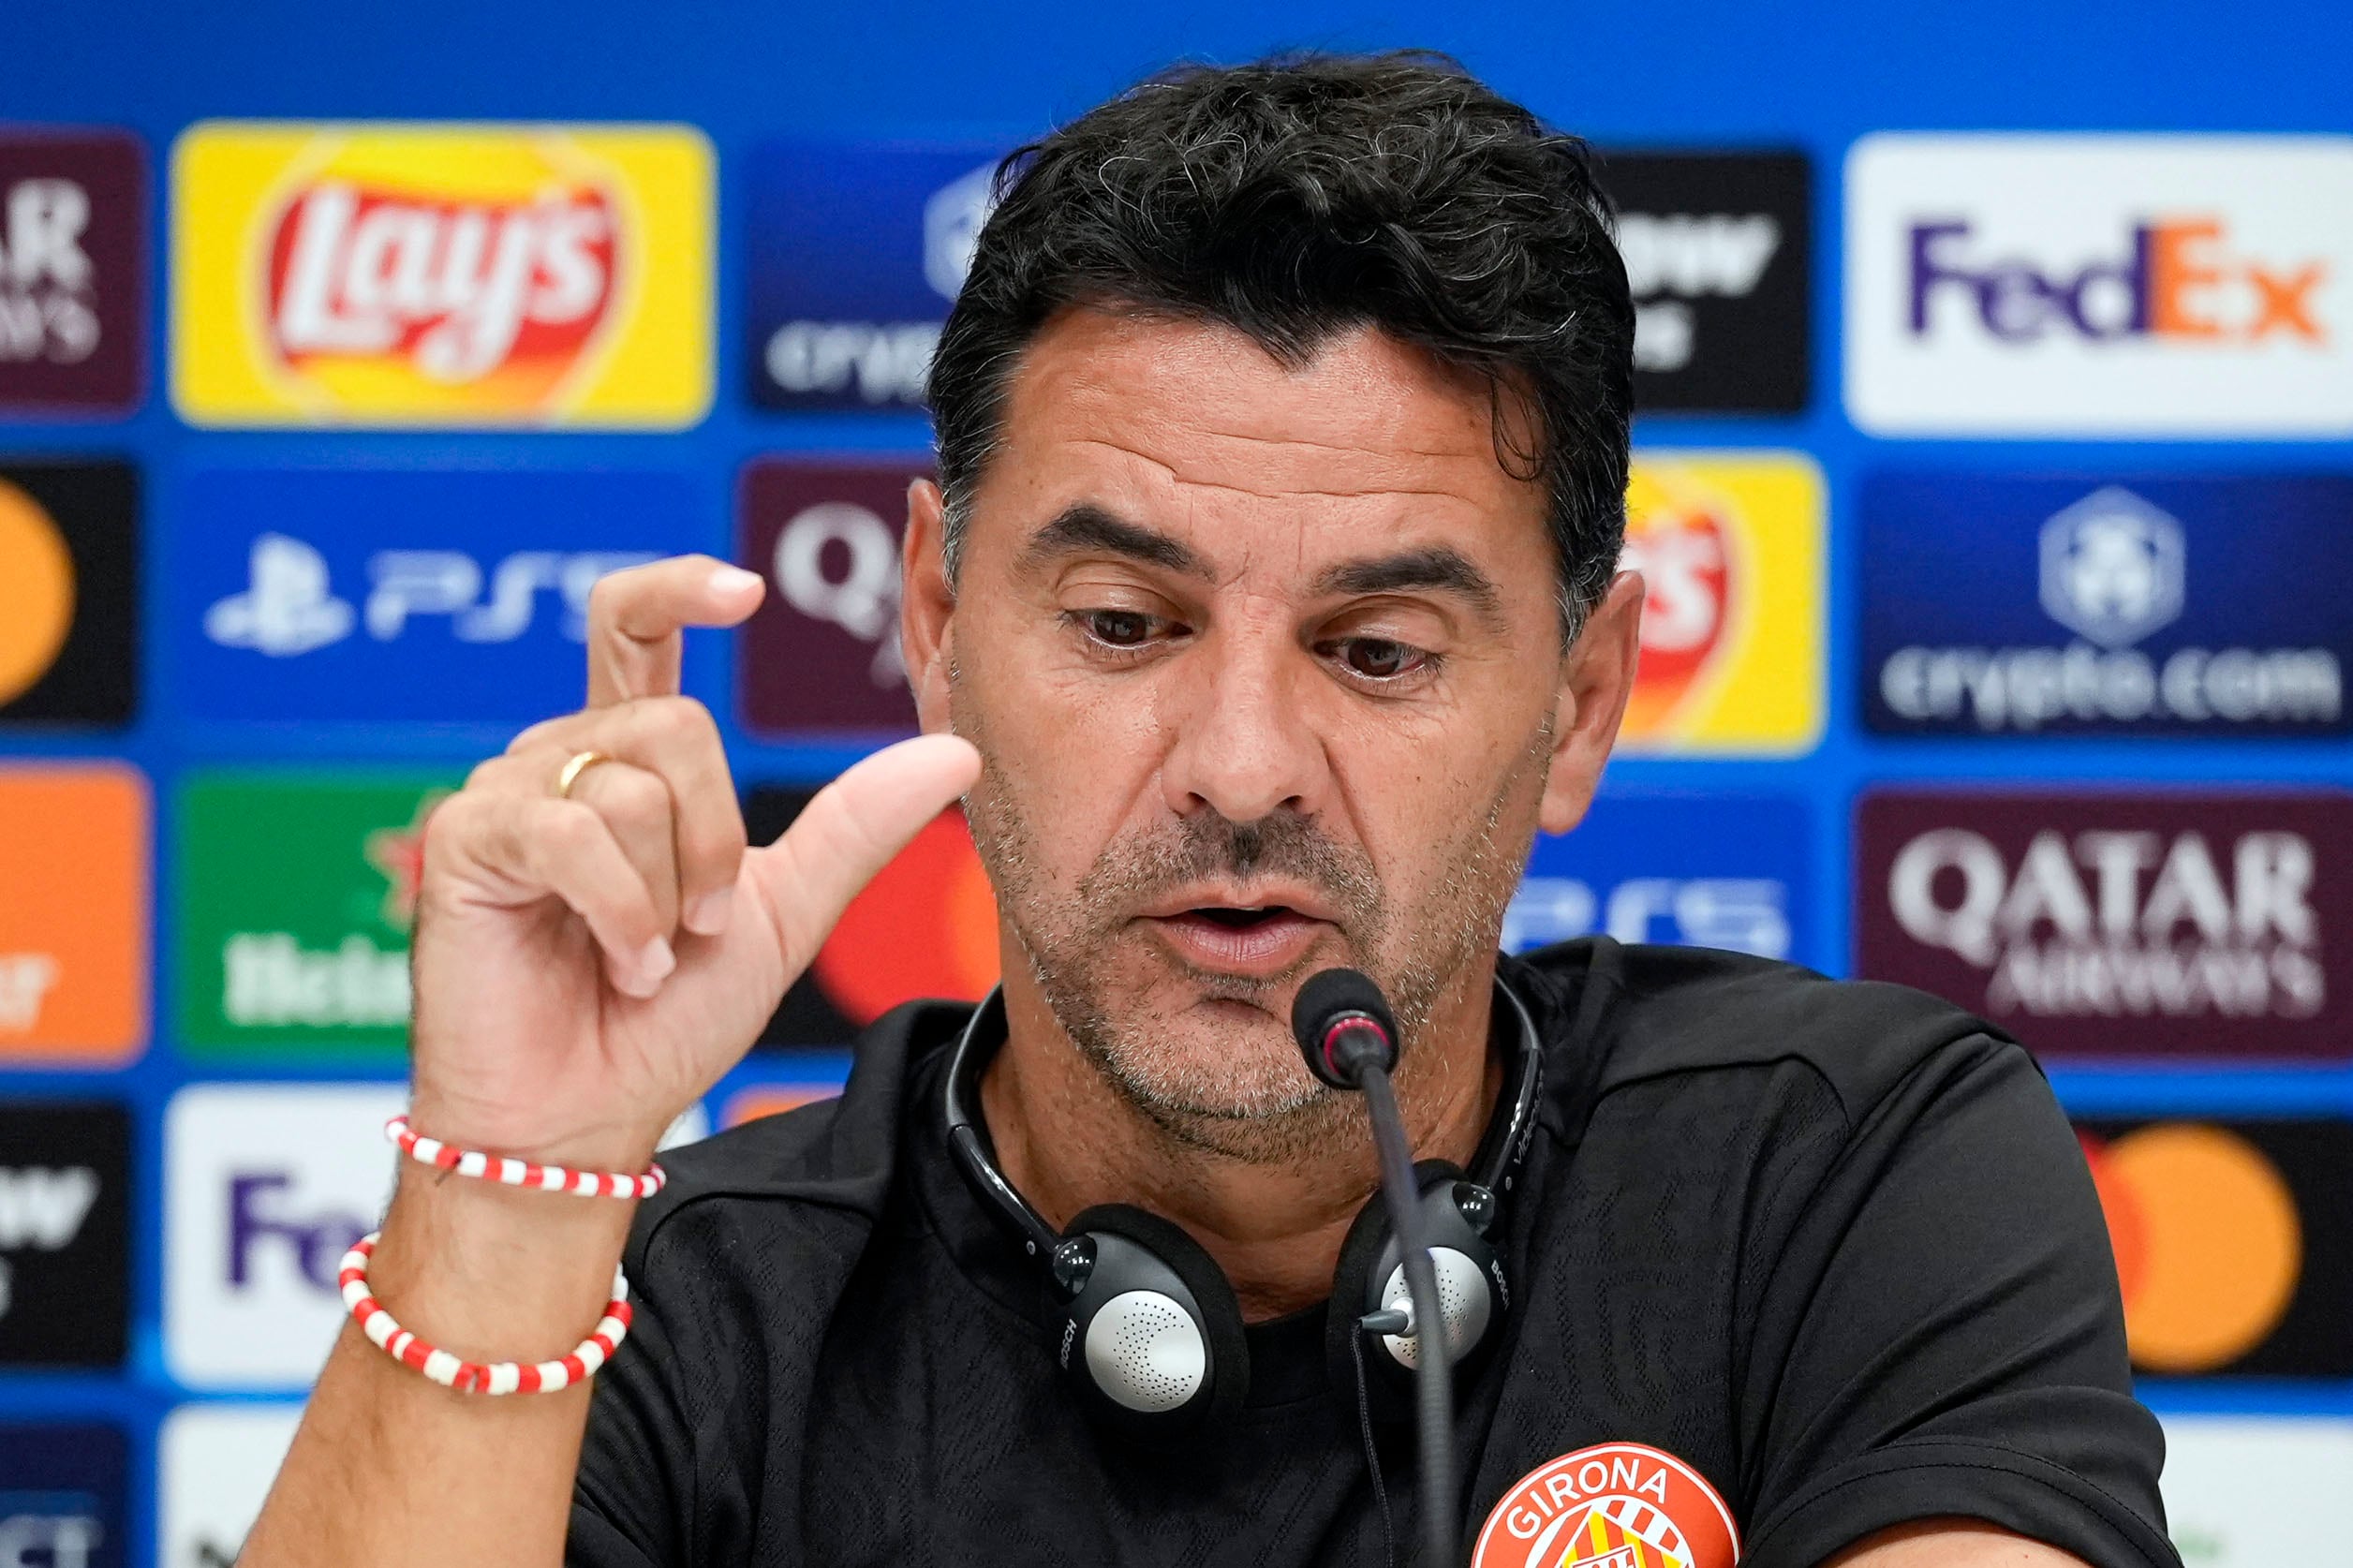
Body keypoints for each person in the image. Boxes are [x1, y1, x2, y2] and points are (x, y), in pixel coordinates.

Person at [242, 52, 2177, 1568]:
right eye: (1120, 622)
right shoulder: (674, 1315)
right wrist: (506, 1183)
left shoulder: (1835, 1178)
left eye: (1377, 650)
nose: (1239, 764)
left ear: (1578, 701)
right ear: (931, 625)